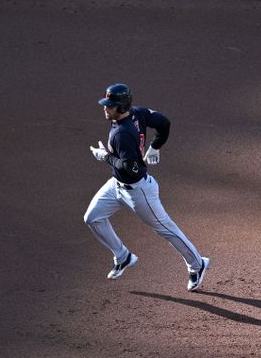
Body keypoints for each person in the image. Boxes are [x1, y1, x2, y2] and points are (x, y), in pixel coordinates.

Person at [84, 83, 210, 292]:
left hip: (138, 191)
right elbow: (164, 123)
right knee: (93, 217)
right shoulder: (138, 113)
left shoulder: (122, 134)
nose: (105, 108)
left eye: (110, 106)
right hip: (116, 186)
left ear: (121, 108)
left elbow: (131, 169)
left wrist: (104, 156)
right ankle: (123, 256)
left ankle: (198, 264)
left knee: (166, 229)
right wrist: (155, 146)